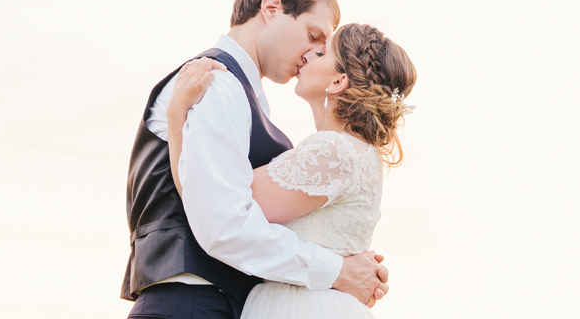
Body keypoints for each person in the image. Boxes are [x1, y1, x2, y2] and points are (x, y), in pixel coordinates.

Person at [122, 0, 389, 319]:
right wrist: (338, 270)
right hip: (190, 302)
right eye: (313, 36)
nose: (312, 53)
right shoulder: (215, 84)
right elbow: (224, 222)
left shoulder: (245, 95)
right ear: (272, 9)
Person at [167, 23, 416, 318]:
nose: (308, 54)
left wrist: (176, 116)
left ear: (338, 81)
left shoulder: (334, 152)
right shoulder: (358, 152)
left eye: (322, 52)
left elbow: (214, 204)